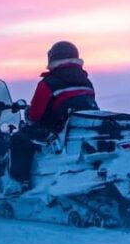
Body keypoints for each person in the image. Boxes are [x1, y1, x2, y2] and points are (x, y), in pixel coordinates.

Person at [9, 41, 98, 189]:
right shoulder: (86, 82)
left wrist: (28, 113)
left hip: (55, 131)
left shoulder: (48, 83)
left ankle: (21, 182)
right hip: (81, 131)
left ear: (53, 58)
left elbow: (36, 115)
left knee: (19, 139)